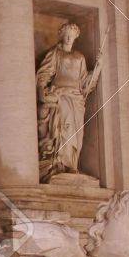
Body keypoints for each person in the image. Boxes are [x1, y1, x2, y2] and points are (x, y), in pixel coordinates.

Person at [36, 22, 101, 180]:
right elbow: (44, 74)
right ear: (61, 35)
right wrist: (42, 91)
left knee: (77, 133)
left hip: (76, 99)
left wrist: (98, 67)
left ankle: (71, 164)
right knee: (65, 128)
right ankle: (59, 163)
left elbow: (85, 84)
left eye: (71, 36)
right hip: (61, 95)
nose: (68, 38)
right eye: (66, 35)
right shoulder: (55, 54)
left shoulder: (80, 57)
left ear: (75, 37)